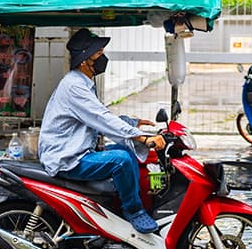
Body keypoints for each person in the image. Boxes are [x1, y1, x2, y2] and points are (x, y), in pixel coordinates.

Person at [39, 28, 166, 233]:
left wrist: (132, 123)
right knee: (121, 160)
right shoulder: (74, 87)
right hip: (67, 158)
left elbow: (97, 115)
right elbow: (101, 119)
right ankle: (134, 211)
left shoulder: (83, 82)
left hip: (78, 150)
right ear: (84, 60)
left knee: (126, 151)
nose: (103, 57)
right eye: (98, 54)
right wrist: (141, 137)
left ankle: (117, 207)